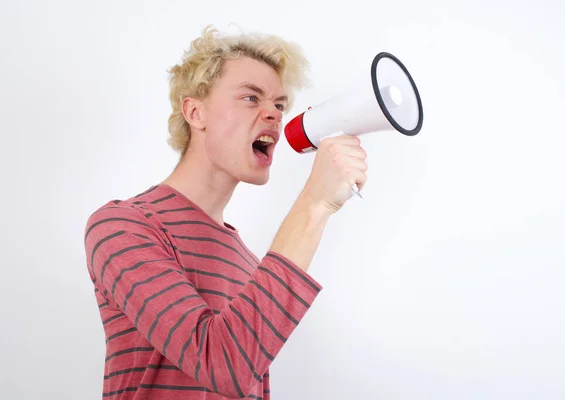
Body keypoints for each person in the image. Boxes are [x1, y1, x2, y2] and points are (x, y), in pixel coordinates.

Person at [84, 25, 368, 399]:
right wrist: (315, 203)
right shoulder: (124, 227)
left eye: (279, 105)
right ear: (195, 112)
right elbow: (222, 365)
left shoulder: (251, 265)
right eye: (251, 98)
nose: (274, 115)